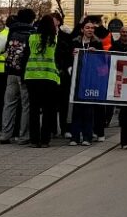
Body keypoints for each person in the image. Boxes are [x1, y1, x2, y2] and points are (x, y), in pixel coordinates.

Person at [0, 8, 35, 144]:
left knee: (9, 104)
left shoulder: (11, 31)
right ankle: (23, 136)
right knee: (26, 105)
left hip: (10, 71)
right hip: (25, 73)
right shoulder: (32, 32)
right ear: (32, 19)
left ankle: (5, 134)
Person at [24, 15, 60, 147]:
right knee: (48, 110)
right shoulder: (54, 39)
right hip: (49, 77)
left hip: (32, 76)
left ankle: (34, 140)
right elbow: (58, 58)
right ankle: (45, 140)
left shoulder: (31, 38)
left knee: (33, 109)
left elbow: (25, 56)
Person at [68, 18, 103, 146]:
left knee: (88, 109)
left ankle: (87, 137)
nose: (90, 30)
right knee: (76, 108)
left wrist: (97, 54)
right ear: (82, 29)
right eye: (87, 28)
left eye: (92, 28)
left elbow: (103, 63)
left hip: (90, 79)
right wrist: (72, 56)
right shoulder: (74, 42)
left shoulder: (97, 43)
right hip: (77, 79)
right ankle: (75, 137)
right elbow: (67, 58)